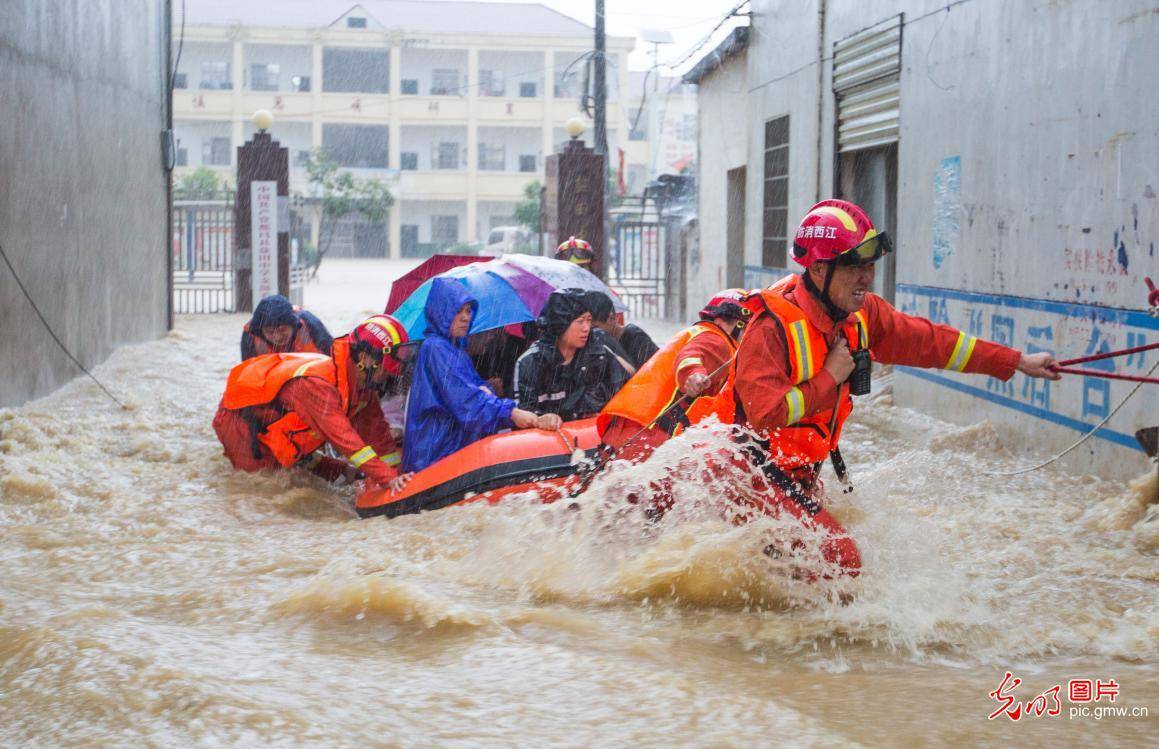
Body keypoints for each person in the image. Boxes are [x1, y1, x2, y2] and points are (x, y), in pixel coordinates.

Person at [727, 199, 1061, 576]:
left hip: (798, 476)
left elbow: (931, 342)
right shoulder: (770, 327)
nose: (867, 277)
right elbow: (765, 413)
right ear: (819, 269)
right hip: (751, 476)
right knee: (843, 561)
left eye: (869, 266)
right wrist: (831, 377)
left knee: (820, 567)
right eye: (854, 267)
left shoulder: (861, 315)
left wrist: (1015, 361)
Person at [213, 315, 414, 490]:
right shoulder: (318, 385)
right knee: (265, 485)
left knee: (341, 473)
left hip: (278, 424)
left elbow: (376, 432)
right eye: (386, 370)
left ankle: (325, 468)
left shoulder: (362, 387)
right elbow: (344, 438)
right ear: (365, 359)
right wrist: (387, 478)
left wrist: (395, 472)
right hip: (239, 421)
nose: (387, 376)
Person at [403, 278, 560, 474]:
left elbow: (472, 391)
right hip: (436, 453)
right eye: (458, 311)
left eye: (468, 311)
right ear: (442, 312)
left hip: (448, 446)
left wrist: (494, 395)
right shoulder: (436, 348)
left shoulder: (454, 350)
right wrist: (511, 413)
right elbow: (467, 402)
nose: (465, 317)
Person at [598, 289, 756, 462]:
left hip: (627, 429)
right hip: (650, 438)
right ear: (733, 322)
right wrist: (693, 375)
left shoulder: (696, 333)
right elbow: (691, 357)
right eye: (749, 327)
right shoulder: (718, 340)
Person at [514, 288, 633, 421]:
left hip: (593, 435)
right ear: (561, 323)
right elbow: (524, 414)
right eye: (580, 321)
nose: (586, 328)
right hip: (552, 439)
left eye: (589, 320)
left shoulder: (597, 352)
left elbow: (626, 389)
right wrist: (543, 419)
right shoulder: (531, 362)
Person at [240, 294, 333, 360]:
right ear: (261, 332)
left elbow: (334, 358)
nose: (278, 337)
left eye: (282, 330)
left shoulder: (309, 324)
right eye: (270, 332)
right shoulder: (251, 334)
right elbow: (248, 375)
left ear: (293, 325)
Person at [584, 290, 660, 370]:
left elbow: (652, 370)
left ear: (611, 318)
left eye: (595, 327)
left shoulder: (635, 338)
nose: (590, 331)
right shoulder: (593, 343)